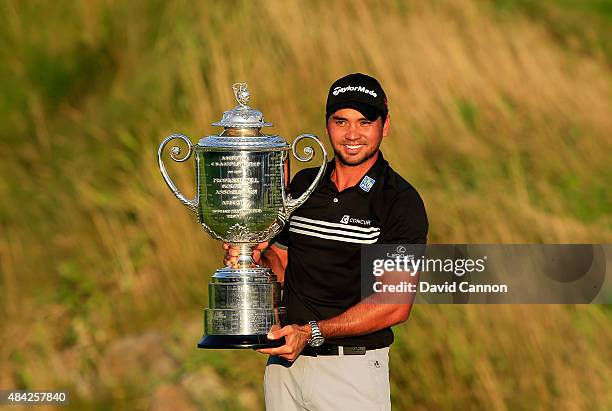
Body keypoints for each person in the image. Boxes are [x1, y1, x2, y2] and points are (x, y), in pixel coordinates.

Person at [224, 73, 428, 411]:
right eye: (341, 121)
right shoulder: (306, 184)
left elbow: (395, 304)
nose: (352, 135)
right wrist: (252, 255)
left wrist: (312, 331)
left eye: (365, 122)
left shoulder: (399, 201)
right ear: (327, 124)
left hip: (351, 373)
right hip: (285, 369)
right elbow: (284, 264)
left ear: (385, 126)